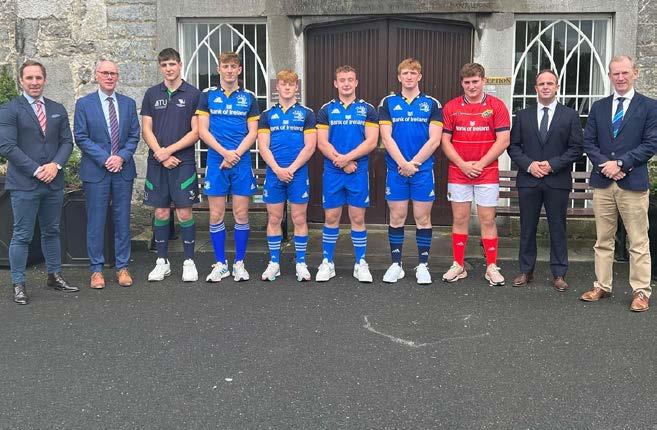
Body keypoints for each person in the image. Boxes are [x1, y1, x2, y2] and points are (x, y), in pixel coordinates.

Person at [580, 55, 657, 312]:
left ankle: (641, 291)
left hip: (632, 182)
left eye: (625, 73)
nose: (620, 78)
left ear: (635, 73)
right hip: (603, 182)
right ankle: (602, 285)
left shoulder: (649, 107)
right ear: (610, 76)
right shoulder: (599, 107)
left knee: (638, 241)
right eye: (615, 74)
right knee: (603, 239)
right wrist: (608, 166)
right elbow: (589, 142)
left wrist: (622, 164)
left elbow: (651, 143)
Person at [0, 60, 78, 304]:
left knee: (52, 231)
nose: (34, 82)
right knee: (22, 235)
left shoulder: (57, 108)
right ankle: (18, 284)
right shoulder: (10, 109)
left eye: (38, 78)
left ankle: (54, 276)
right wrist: (36, 170)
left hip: (53, 182)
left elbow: (67, 142)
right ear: (21, 81)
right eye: (29, 78)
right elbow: (7, 146)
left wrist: (55, 165)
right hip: (24, 184)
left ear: (45, 80)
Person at [507, 69, 583, 292]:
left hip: (557, 180)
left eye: (550, 83)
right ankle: (525, 270)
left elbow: (576, 148)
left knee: (557, 227)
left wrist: (552, 164)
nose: (546, 87)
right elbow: (513, 146)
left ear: (557, 87)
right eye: (542, 84)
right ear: (535, 88)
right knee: (527, 227)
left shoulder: (570, 115)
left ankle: (559, 273)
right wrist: (530, 165)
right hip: (529, 179)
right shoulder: (523, 115)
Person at [440, 63, 511, 286]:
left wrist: (480, 164)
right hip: (459, 172)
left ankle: (491, 266)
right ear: (462, 83)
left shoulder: (496, 106)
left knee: (487, 220)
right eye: (467, 82)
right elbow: (445, 141)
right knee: (460, 219)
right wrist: (462, 164)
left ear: (484, 81)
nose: (471, 86)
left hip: (486, 172)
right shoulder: (451, 107)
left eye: (475, 81)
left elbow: (503, 140)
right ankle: (458, 265)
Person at [74, 60, 140, 289]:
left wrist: (120, 157)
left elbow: (134, 135)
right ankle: (96, 270)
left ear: (118, 76)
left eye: (113, 73)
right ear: (97, 75)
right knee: (96, 221)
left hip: (122, 170)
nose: (109, 77)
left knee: (122, 220)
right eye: (105, 73)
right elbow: (81, 136)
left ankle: (122, 267)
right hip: (96, 171)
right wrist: (105, 159)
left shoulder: (128, 104)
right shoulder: (84, 104)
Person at [196, 51, 260, 282]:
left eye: (234, 66)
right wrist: (225, 153)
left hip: (241, 161)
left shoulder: (249, 97)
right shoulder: (208, 95)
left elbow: (253, 132)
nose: (230, 70)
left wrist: (235, 155)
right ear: (219, 69)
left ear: (239, 70)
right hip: (217, 161)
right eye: (226, 66)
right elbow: (202, 130)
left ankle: (239, 263)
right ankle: (221, 263)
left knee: (241, 214)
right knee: (216, 214)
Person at [379, 58, 443, 284]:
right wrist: (402, 163)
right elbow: (386, 138)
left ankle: (422, 265)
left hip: (422, 170)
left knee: (422, 218)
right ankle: (396, 265)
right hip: (396, 170)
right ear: (399, 77)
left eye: (413, 73)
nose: (409, 77)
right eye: (405, 73)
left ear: (419, 76)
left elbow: (434, 140)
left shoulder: (432, 104)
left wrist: (413, 164)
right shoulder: (388, 102)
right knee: (397, 217)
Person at [141, 48, 202, 283]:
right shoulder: (151, 93)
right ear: (160, 67)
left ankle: (189, 261)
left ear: (180, 65)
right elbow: (146, 128)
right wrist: (161, 153)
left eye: (172, 64)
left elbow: (196, 132)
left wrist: (169, 151)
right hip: (157, 161)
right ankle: (162, 261)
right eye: (164, 65)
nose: (169, 69)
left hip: (182, 162)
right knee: (161, 211)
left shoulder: (194, 94)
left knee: (184, 212)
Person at [315, 65, 379, 283]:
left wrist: (348, 159)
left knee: (357, 218)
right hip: (333, 172)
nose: (346, 84)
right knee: (331, 217)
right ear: (335, 83)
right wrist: (342, 163)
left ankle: (360, 263)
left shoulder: (367, 109)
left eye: (350, 79)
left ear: (356, 82)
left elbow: (371, 141)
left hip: (358, 171)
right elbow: (322, 143)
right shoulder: (326, 110)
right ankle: (327, 262)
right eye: (342, 80)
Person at [258, 70, 317, 281]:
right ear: (278, 87)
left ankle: (301, 263)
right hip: (275, 174)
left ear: (296, 87)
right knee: (274, 218)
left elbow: (310, 146)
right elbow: (263, 146)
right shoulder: (267, 115)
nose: (287, 87)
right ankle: (274, 263)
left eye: (291, 84)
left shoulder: (307, 113)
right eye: (283, 84)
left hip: (297, 174)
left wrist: (291, 169)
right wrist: (277, 169)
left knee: (299, 218)